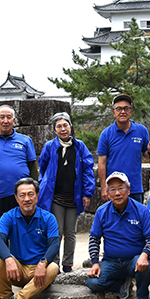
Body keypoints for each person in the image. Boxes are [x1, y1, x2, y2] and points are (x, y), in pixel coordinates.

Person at [0, 104, 38, 291]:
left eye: (8, 117)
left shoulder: (25, 140)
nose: (5, 120)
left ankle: (25, 272)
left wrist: (35, 190)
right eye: (1, 117)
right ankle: (2, 275)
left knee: (24, 234)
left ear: (14, 120)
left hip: (23, 197)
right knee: (1, 235)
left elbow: (33, 167)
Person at [86, 172, 150, 299]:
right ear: (107, 192)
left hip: (134, 260)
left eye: (121, 188)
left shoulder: (141, 211)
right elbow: (94, 239)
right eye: (112, 189)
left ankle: (142, 295)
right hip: (112, 261)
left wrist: (144, 255)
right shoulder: (102, 212)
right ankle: (121, 285)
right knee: (93, 283)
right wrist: (95, 263)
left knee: (147, 265)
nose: (117, 193)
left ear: (129, 190)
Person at [0, 178, 60, 299]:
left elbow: (55, 244)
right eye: (22, 195)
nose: (27, 199)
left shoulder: (48, 218)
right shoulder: (8, 217)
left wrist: (43, 262)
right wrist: (9, 259)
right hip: (18, 269)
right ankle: (4, 297)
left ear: (37, 196)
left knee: (53, 268)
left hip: (39, 272)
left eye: (31, 194)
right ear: (16, 198)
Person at [38, 112, 95, 273]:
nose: (63, 129)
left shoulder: (80, 146)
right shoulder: (49, 146)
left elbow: (88, 170)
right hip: (54, 197)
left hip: (74, 197)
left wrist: (87, 193)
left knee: (71, 232)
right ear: (54, 130)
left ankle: (68, 264)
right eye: (59, 126)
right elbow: (42, 167)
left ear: (70, 126)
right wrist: (43, 185)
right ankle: (54, 263)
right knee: (57, 231)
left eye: (65, 125)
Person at [97, 94, 150, 203]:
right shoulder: (106, 134)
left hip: (135, 188)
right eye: (119, 109)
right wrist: (104, 188)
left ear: (131, 111)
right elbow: (101, 163)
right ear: (113, 112)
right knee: (113, 220)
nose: (123, 112)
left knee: (135, 219)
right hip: (114, 189)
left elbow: (146, 155)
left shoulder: (141, 131)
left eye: (126, 108)